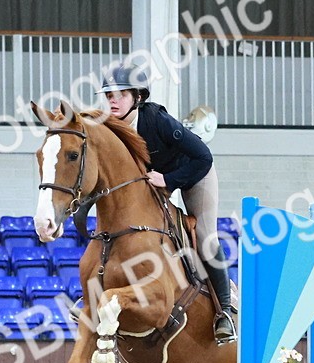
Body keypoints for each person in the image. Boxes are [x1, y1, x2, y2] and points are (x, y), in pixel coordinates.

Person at [98, 64, 236, 345]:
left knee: (205, 235)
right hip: (155, 181)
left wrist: (169, 179)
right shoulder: (109, 127)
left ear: (137, 97)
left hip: (193, 173)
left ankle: (225, 311)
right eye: (109, 95)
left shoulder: (156, 120)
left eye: (120, 95)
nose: (112, 101)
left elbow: (203, 157)